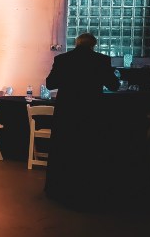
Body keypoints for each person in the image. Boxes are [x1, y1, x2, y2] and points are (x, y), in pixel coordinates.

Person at [44, 32, 119, 208]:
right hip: (91, 112)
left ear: (76, 43)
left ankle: (60, 187)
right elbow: (113, 86)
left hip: (67, 112)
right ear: (93, 45)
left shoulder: (62, 59)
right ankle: (88, 188)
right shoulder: (101, 60)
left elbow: (50, 84)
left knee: (65, 148)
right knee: (88, 150)